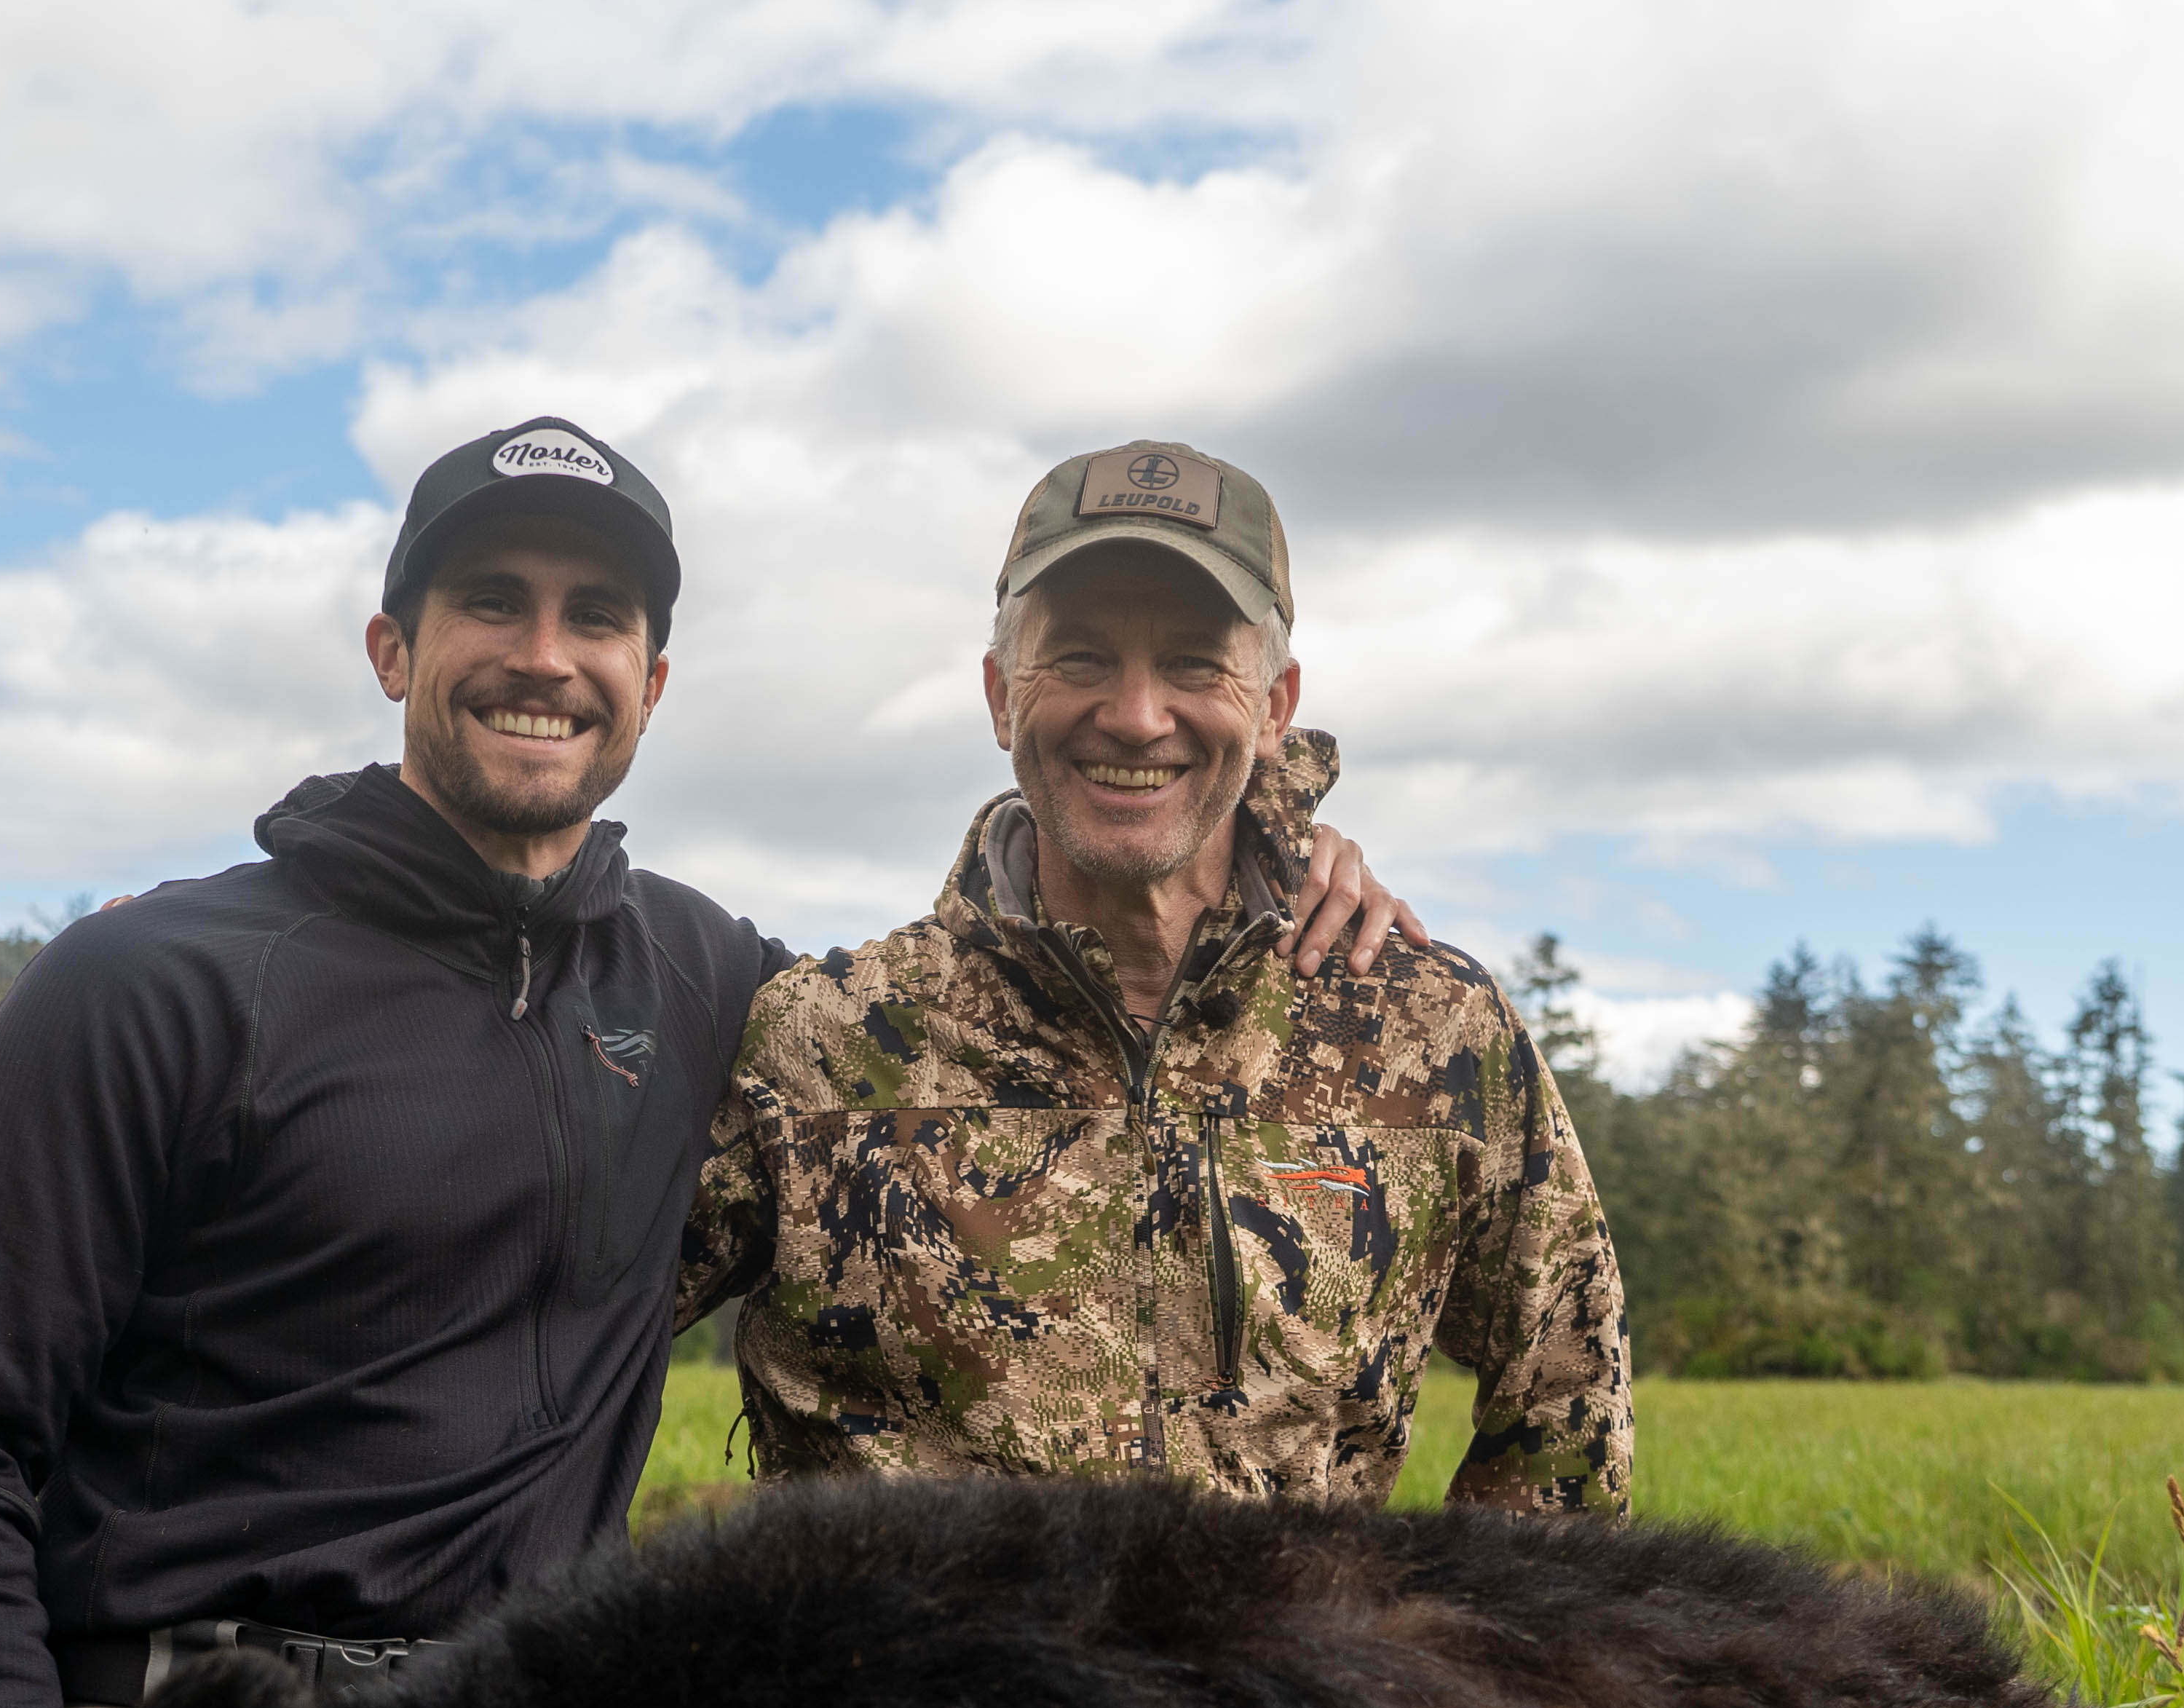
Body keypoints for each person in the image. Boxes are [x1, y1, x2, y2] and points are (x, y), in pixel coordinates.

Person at [0, 417, 1420, 1708]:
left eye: (596, 615)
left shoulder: (712, 985)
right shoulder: (153, 983)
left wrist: (1270, 856)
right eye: (492, 601)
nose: (545, 656)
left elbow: (998, 1013)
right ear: (392, 647)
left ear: (652, 685)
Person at [677, 439, 1631, 1511]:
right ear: (1000, 696)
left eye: (1194, 664)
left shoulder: (1433, 1032)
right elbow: (562, 1336)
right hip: (913, 1631)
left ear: (1274, 707)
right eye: (1080, 658)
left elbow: (1567, 1390)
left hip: (1286, 1632)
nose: (1136, 716)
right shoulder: (820, 1042)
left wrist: (1438, 1623)